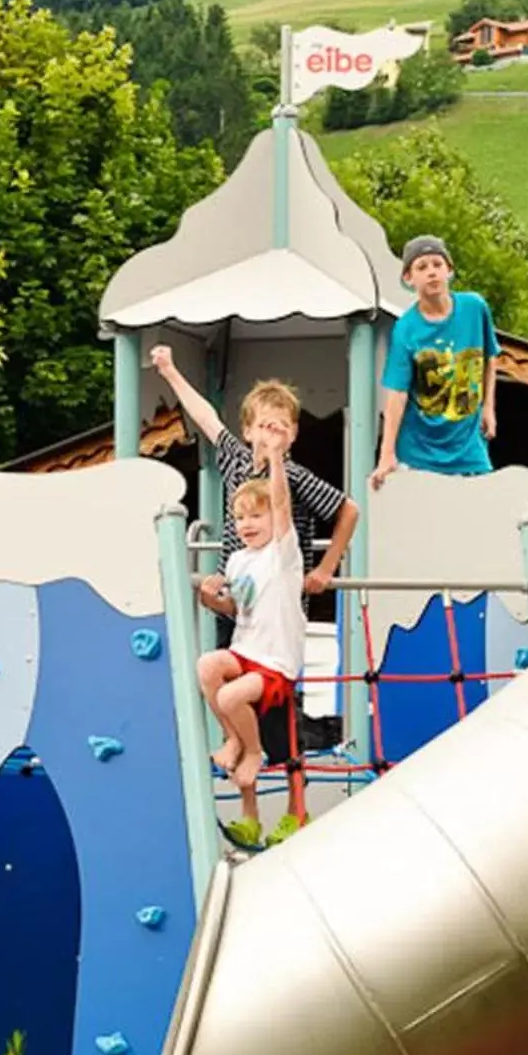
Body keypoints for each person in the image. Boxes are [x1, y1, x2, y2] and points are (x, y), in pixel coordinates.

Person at [148, 346, 356, 596]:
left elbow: (348, 510)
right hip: (234, 589)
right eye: (265, 426)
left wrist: (326, 568)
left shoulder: (296, 475)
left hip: (276, 597)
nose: (271, 434)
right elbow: (206, 418)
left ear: (293, 433)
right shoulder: (238, 460)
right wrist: (170, 371)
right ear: (248, 431)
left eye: (280, 427)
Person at [195, 464, 301, 835]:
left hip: (275, 663)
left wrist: (273, 456)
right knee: (207, 666)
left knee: (229, 698)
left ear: (275, 517)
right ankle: (235, 738)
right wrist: (212, 601)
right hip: (245, 651)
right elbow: (239, 609)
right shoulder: (238, 560)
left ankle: (252, 751)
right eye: (240, 518)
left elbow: (284, 503)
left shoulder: (283, 554)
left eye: (257, 515)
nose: (247, 524)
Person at [374, 235, 499, 488]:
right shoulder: (406, 329)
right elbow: (396, 394)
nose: (431, 272)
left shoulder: (475, 307)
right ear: (409, 278)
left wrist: (488, 407)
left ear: (449, 271)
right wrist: (387, 453)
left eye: (437, 265)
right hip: (421, 447)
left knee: (482, 504)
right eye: (422, 267)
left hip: (467, 443)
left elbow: (489, 357)